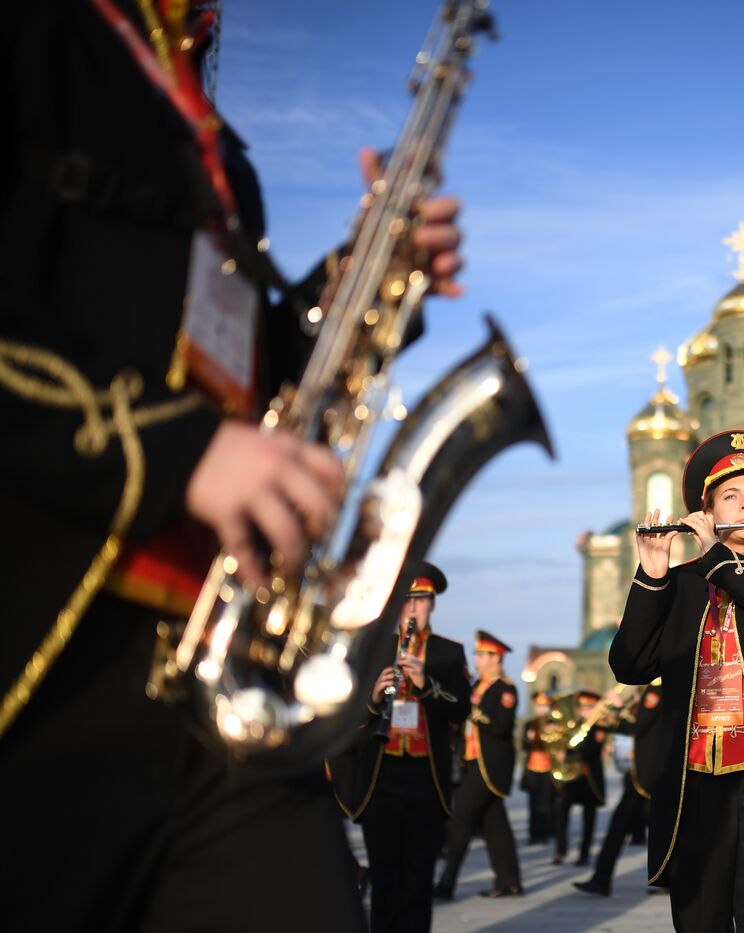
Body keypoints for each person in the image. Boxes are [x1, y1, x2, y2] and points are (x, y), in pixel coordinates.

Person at [0, 6, 463, 932]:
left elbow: (224, 370)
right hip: (47, 656)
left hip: (219, 669)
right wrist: (179, 451)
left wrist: (355, 289)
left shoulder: (209, 133)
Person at [609, 429, 744, 932]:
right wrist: (650, 576)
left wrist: (716, 558)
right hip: (694, 782)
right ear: (707, 510)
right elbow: (630, 664)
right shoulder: (681, 583)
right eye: (731, 496)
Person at [331, 562, 470, 933]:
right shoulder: (371, 648)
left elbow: (461, 708)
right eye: (405, 600)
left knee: (418, 880)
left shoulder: (448, 653)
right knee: (385, 879)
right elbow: (346, 716)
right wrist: (374, 699)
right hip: (382, 776)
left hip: (426, 777)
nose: (412, 608)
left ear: (432, 604)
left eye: (420, 600)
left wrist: (425, 684)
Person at [436, 630, 524, 899]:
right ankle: (510, 882)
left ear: (495, 657)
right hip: (471, 762)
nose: (476, 659)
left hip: (489, 767)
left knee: (460, 818)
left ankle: (446, 883)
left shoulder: (504, 688)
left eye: (481, 654)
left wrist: (475, 713)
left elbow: (501, 727)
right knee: (494, 824)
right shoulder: (476, 685)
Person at [574, 679, 666, 896]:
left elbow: (638, 725)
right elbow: (633, 724)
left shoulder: (656, 689)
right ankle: (602, 878)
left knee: (647, 826)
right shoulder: (648, 691)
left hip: (649, 773)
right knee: (628, 825)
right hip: (642, 772)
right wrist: (609, 720)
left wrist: (617, 707)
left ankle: (603, 878)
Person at [553, 689, 611, 866]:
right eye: (583, 708)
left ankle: (584, 854)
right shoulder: (574, 725)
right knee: (561, 807)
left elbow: (591, 750)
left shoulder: (599, 727)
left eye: (589, 708)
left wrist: (568, 755)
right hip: (572, 778)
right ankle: (560, 850)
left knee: (589, 816)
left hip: (589, 778)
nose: (585, 711)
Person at [520, 690, 558, 844]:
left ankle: (547, 832)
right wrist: (528, 739)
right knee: (533, 802)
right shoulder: (530, 723)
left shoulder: (554, 723)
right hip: (533, 767)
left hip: (549, 767)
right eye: (538, 705)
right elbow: (524, 746)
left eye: (544, 706)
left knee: (548, 802)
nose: (541, 709)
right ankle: (534, 834)